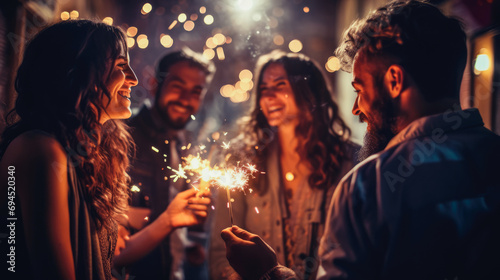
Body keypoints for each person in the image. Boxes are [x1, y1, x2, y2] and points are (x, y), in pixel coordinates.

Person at [220, 1, 500, 279]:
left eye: (360, 88)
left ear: (394, 81)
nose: (356, 108)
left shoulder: (369, 187)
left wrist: (268, 272)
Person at [0, 20, 210, 280]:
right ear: (77, 71)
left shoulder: (100, 152)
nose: (133, 79)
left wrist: (170, 219)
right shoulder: (39, 150)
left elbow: (109, 258)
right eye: (122, 66)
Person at [210, 50, 358, 280]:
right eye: (264, 88)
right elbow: (220, 253)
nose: (269, 96)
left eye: (280, 85)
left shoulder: (352, 163)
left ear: (309, 92)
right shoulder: (243, 162)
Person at [125, 48, 215, 279]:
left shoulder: (185, 143)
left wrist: (187, 244)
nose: (186, 100)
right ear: (154, 84)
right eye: (177, 87)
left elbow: (169, 213)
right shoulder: (123, 136)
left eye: (196, 92)